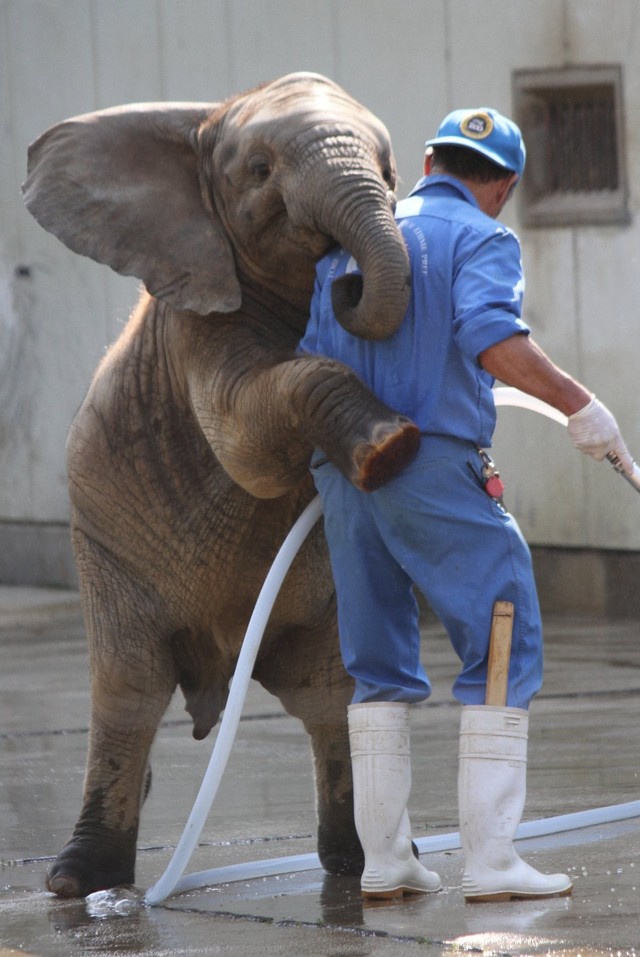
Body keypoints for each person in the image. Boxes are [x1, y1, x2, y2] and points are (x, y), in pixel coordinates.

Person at [298, 107, 635, 902]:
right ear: (504, 186)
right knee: (502, 628)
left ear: (427, 161)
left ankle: (385, 862)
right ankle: (491, 862)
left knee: (375, 659)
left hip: (342, 466)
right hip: (428, 460)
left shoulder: (349, 242)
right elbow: (492, 339)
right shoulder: (481, 238)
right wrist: (581, 404)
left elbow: (310, 362)